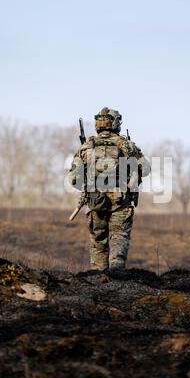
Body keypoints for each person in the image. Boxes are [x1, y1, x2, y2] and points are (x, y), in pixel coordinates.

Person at [68, 107, 151, 271]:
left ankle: (98, 276)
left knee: (98, 241)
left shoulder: (87, 146)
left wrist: (89, 179)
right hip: (121, 201)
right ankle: (117, 270)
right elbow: (146, 169)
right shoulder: (126, 145)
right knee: (119, 236)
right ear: (116, 123)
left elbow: (73, 179)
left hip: (94, 201)